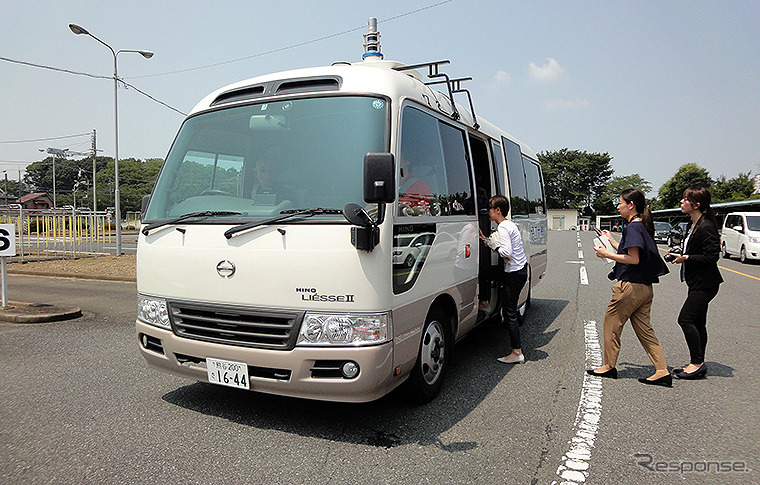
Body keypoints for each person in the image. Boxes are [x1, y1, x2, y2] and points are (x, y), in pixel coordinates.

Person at [590, 189, 672, 387]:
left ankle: (609, 366)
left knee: (611, 325)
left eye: (620, 203)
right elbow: (633, 252)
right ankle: (661, 370)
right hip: (645, 288)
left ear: (631, 205)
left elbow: (633, 259)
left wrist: (605, 254)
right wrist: (610, 241)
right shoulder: (641, 226)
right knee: (645, 330)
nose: (618, 206)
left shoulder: (632, 228)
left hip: (630, 288)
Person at [666, 187, 723, 380]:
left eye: (685, 200)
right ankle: (698, 362)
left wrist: (686, 257)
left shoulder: (705, 226)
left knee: (685, 319)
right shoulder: (694, 224)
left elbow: (712, 257)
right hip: (697, 282)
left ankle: (697, 363)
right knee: (699, 322)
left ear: (696, 205)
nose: (681, 202)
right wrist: (681, 252)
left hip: (705, 284)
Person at [479, 195, 528, 364]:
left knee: (509, 313)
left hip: (514, 274)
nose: (488, 213)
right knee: (485, 273)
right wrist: (486, 241)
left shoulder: (503, 228)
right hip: (517, 271)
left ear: (497, 210)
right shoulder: (508, 224)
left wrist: (495, 244)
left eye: (490, 210)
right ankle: (485, 303)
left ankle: (517, 352)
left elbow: (506, 252)